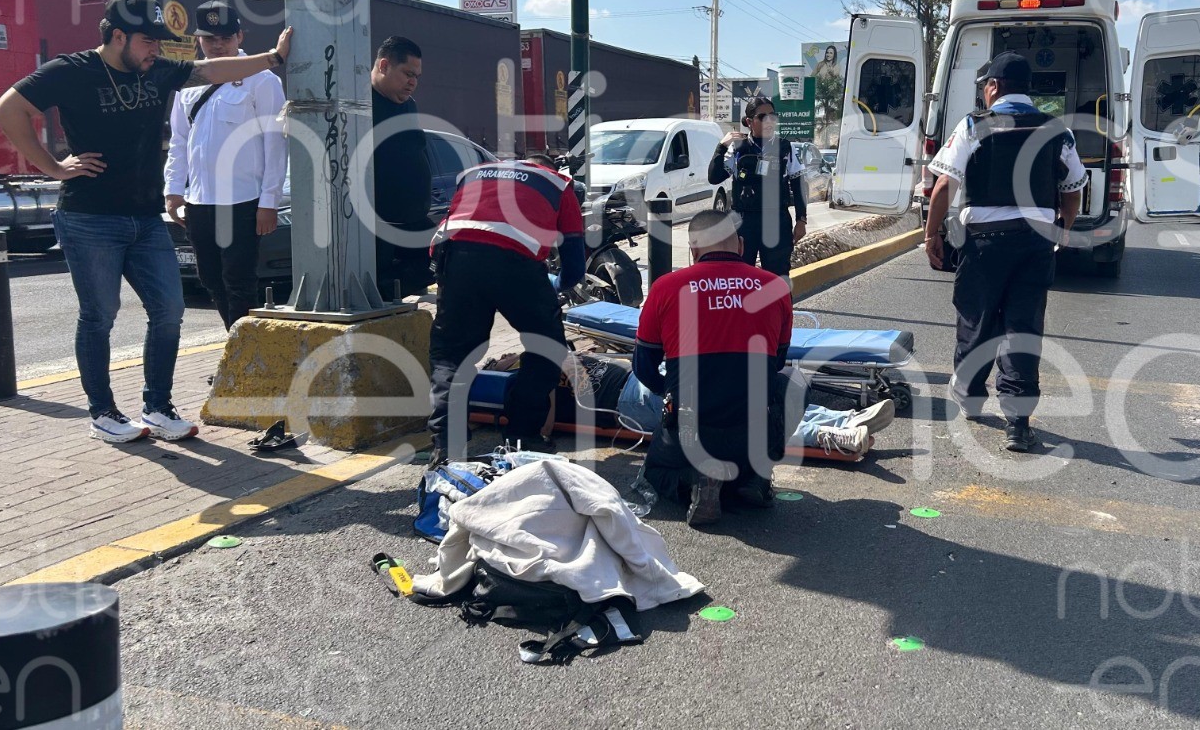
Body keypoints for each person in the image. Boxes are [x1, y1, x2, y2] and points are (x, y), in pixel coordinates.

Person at [0, 0, 293, 443]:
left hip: (146, 219)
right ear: (118, 36)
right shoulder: (72, 71)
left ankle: (157, 406)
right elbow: (7, 110)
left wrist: (272, 57)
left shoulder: (157, 72)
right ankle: (104, 413)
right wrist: (53, 168)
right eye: (149, 41)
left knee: (170, 310)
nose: (157, 49)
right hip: (89, 218)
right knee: (100, 315)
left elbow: (212, 71)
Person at [923, 52, 1086, 453]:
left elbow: (945, 186)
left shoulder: (975, 124)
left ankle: (972, 396)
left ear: (993, 86)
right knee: (1023, 326)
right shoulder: (1055, 129)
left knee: (977, 318)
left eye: (984, 87)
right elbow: (1074, 186)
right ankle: (1018, 423)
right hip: (1034, 243)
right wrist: (1062, 230)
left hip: (985, 243)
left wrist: (932, 234)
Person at [633, 210, 793, 526]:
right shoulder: (775, 287)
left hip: (688, 432)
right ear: (742, 245)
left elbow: (643, 367)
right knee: (791, 382)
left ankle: (695, 481)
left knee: (655, 471)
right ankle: (753, 477)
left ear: (693, 251)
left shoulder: (667, 288)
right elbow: (777, 363)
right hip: (750, 430)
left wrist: (668, 394)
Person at [427, 153, 586, 454]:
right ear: (549, 168)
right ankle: (523, 437)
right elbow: (575, 267)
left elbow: (449, 231)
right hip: (516, 264)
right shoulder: (558, 184)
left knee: (450, 355)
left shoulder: (474, 173)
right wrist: (554, 285)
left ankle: (446, 447)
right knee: (547, 349)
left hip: (456, 258)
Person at [481, 350, 893, 454]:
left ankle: (842, 416)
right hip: (629, 402)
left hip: (638, 381)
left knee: (740, 386)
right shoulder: (527, 378)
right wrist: (545, 379)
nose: (500, 357)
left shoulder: (548, 352)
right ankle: (824, 434)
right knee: (727, 404)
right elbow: (545, 423)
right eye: (496, 361)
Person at [163, 1, 288, 329]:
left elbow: (275, 143)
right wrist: (174, 190)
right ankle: (238, 347)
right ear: (198, 41)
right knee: (211, 281)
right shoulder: (189, 79)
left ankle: (245, 360)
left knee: (239, 283)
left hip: (243, 200)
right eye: (209, 39)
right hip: (200, 200)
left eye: (225, 38)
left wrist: (269, 202)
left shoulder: (262, 80)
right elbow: (179, 140)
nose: (217, 45)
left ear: (239, 37)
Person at [707, 97, 807, 279]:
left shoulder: (786, 148)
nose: (769, 121)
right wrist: (721, 147)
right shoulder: (738, 148)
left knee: (777, 278)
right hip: (744, 222)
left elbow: (798, 184)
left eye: (773, 116)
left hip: (776, 221)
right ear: (748, 122)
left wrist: (801, 220)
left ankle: (780, 309)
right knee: (740, 277)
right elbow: (714, 178)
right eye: (762, 117)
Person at [370, 36, 431, 299]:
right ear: (384, 65)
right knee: (379, 294)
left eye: (416, 76)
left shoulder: (409, 105)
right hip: (377, 226)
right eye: (408, 74)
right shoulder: (359, 104)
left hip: (412, 222)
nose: (413, 83)